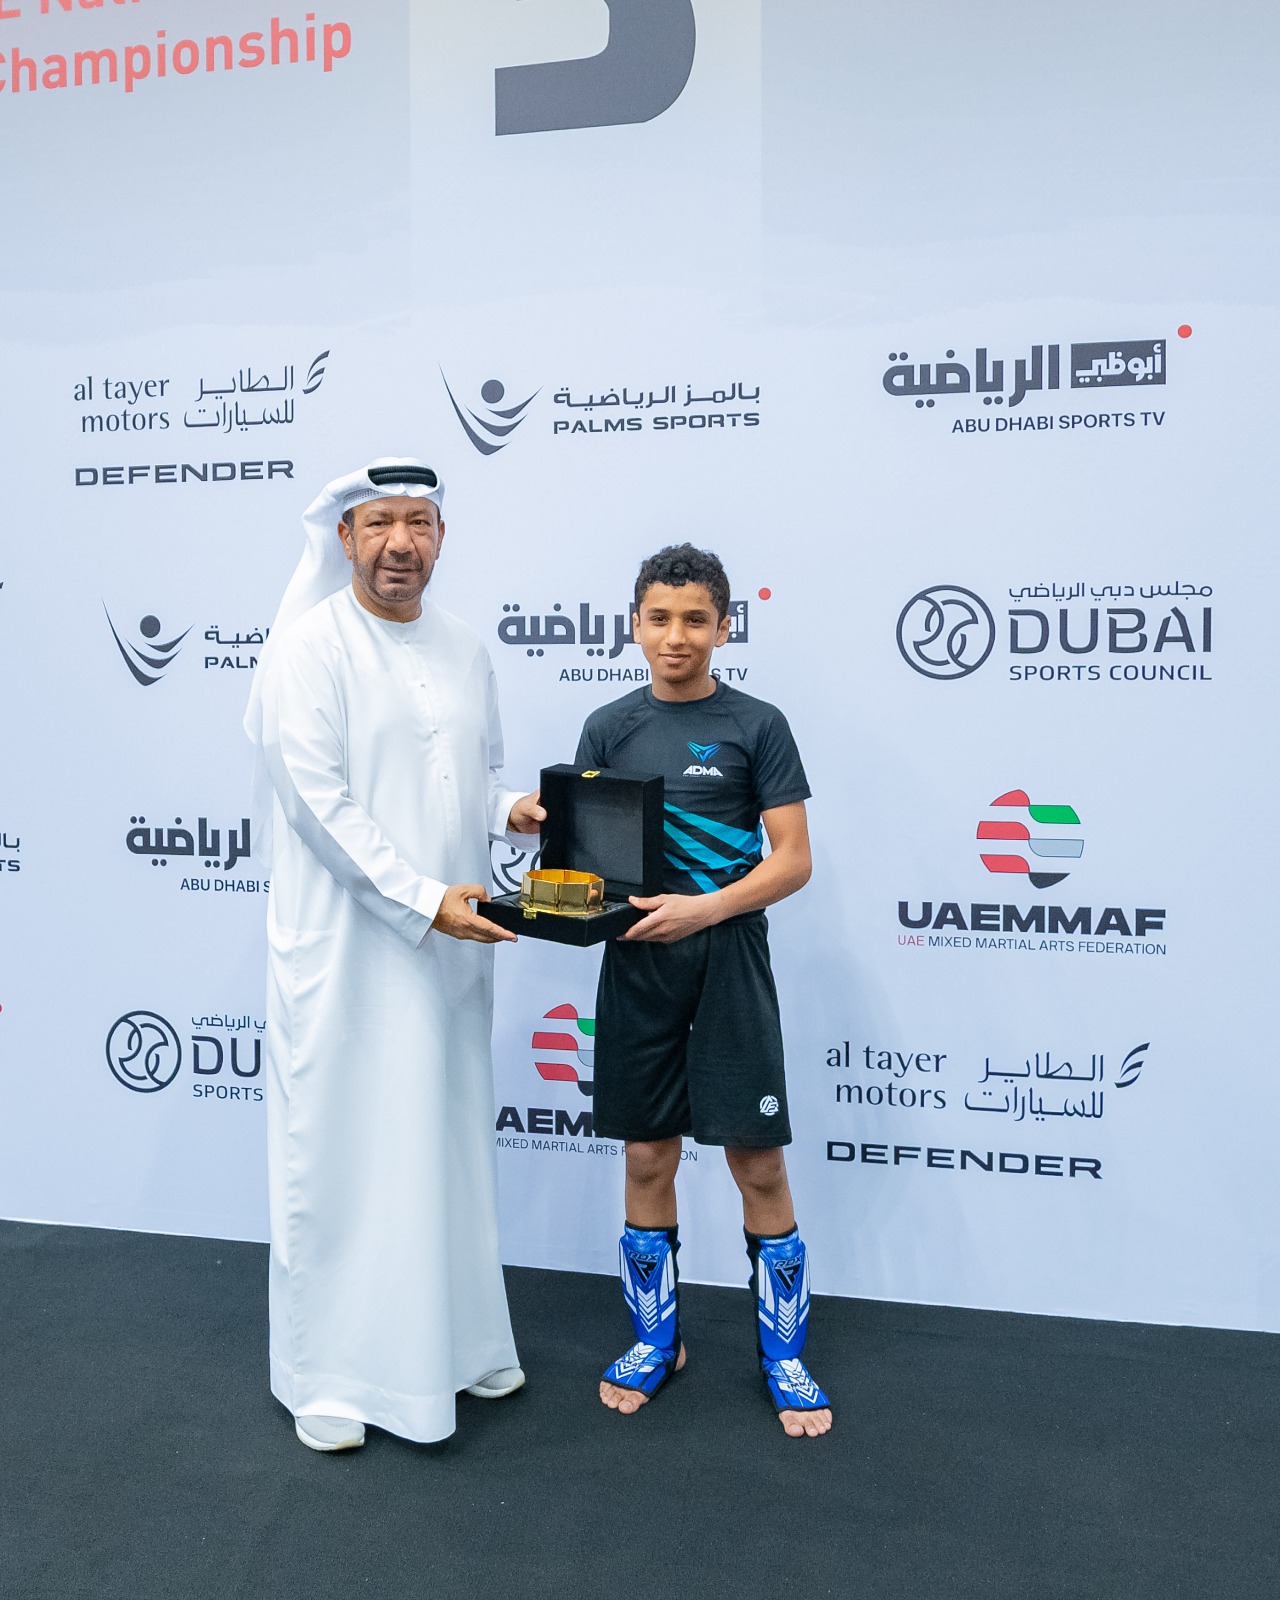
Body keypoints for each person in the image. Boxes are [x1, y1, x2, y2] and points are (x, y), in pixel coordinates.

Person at [243, 457, 544, 1452]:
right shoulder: (308, 647)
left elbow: (468, 775)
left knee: (442, 1144)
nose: (399, 544)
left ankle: (460, 1344)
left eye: (418, 523)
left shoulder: (463, 645)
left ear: (441, 537)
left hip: (449, 944)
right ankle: (328, 1375)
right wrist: (423, 900)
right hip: (347, 950)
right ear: (344, 539)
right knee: (343, 1151)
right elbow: (317, 803)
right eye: (379, 525)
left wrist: (517, 810)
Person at [574, 543, 832, 1439]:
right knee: (648, 1156)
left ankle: (784, 1356)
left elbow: (793, 861)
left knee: (757, 1160)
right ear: (634, 625)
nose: (676, 636)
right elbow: (588, 862)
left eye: (695, 619)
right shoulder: (607, 727)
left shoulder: (757, 724)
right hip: (637, 963)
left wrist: (705, 909)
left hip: (729, 960)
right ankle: (656, 1343)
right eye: (659, 618)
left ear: (724, 627)